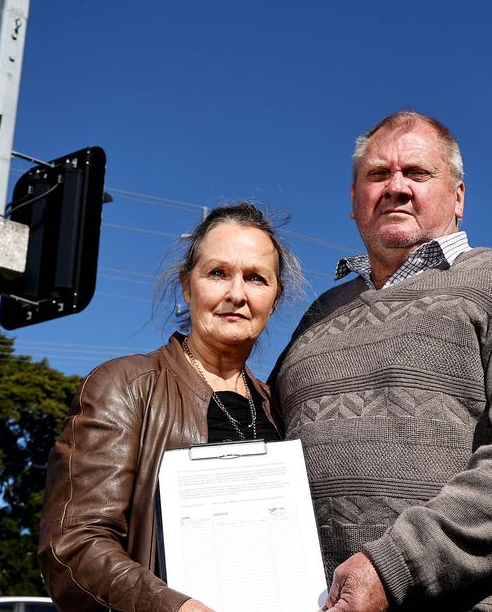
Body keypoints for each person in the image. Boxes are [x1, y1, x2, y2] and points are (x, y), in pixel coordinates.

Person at [271, 110, 492, 611]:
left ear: (458, 197)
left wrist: (392, 565)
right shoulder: (317, 315)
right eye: (378, 175)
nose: (395, 188)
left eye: (417, 173)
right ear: (354, 202)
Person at [38, 202, 302, 612]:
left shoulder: (280, 407)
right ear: (186, 285)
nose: (236, 294)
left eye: (256, 278)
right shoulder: (124, 386)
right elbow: (73, 547)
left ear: (275, 297)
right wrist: (175, 608)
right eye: (218, 273)